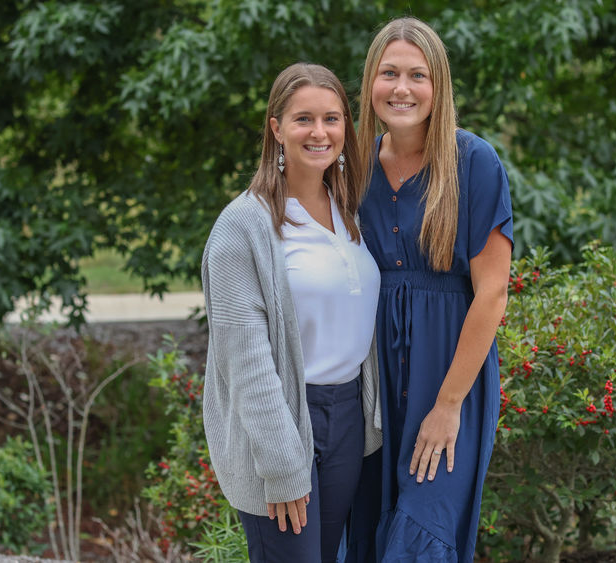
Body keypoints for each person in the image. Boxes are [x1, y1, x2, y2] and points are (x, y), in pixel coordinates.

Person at [347, 17, 514, 562]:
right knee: (371, 524)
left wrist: (447, 406)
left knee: (424, 530)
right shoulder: (353, 167)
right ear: (370, 81)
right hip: (374, 379)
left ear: (437, 86)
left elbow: (491, 294)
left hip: (449, 378)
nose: (401, 88)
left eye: (417, 75)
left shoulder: (474, 162)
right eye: (389, 73)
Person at [201, 62, 382, 563]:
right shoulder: (243, 226)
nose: (320, 132)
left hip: (346, 420)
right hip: (281, 422)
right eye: (304, 119)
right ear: (276, 129)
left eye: (332, 119)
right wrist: (281, 466)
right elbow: (247, 363)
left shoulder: (352, 212)